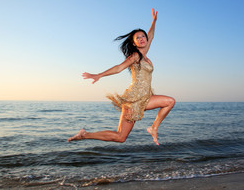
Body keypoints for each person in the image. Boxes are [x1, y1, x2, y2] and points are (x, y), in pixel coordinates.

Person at [68, 8, 175, 145]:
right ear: (133, 43)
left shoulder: (144, 53)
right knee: (120, 137)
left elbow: (151, 35)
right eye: (138, 38)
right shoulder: (136, 56)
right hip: (133, 99)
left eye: (143, 37)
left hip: (145, 98)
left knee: (170, 101)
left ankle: (153, 128)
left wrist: (154, 20)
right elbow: (119, 68)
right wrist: (99, 75)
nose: (142, 39)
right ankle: (85, 135)